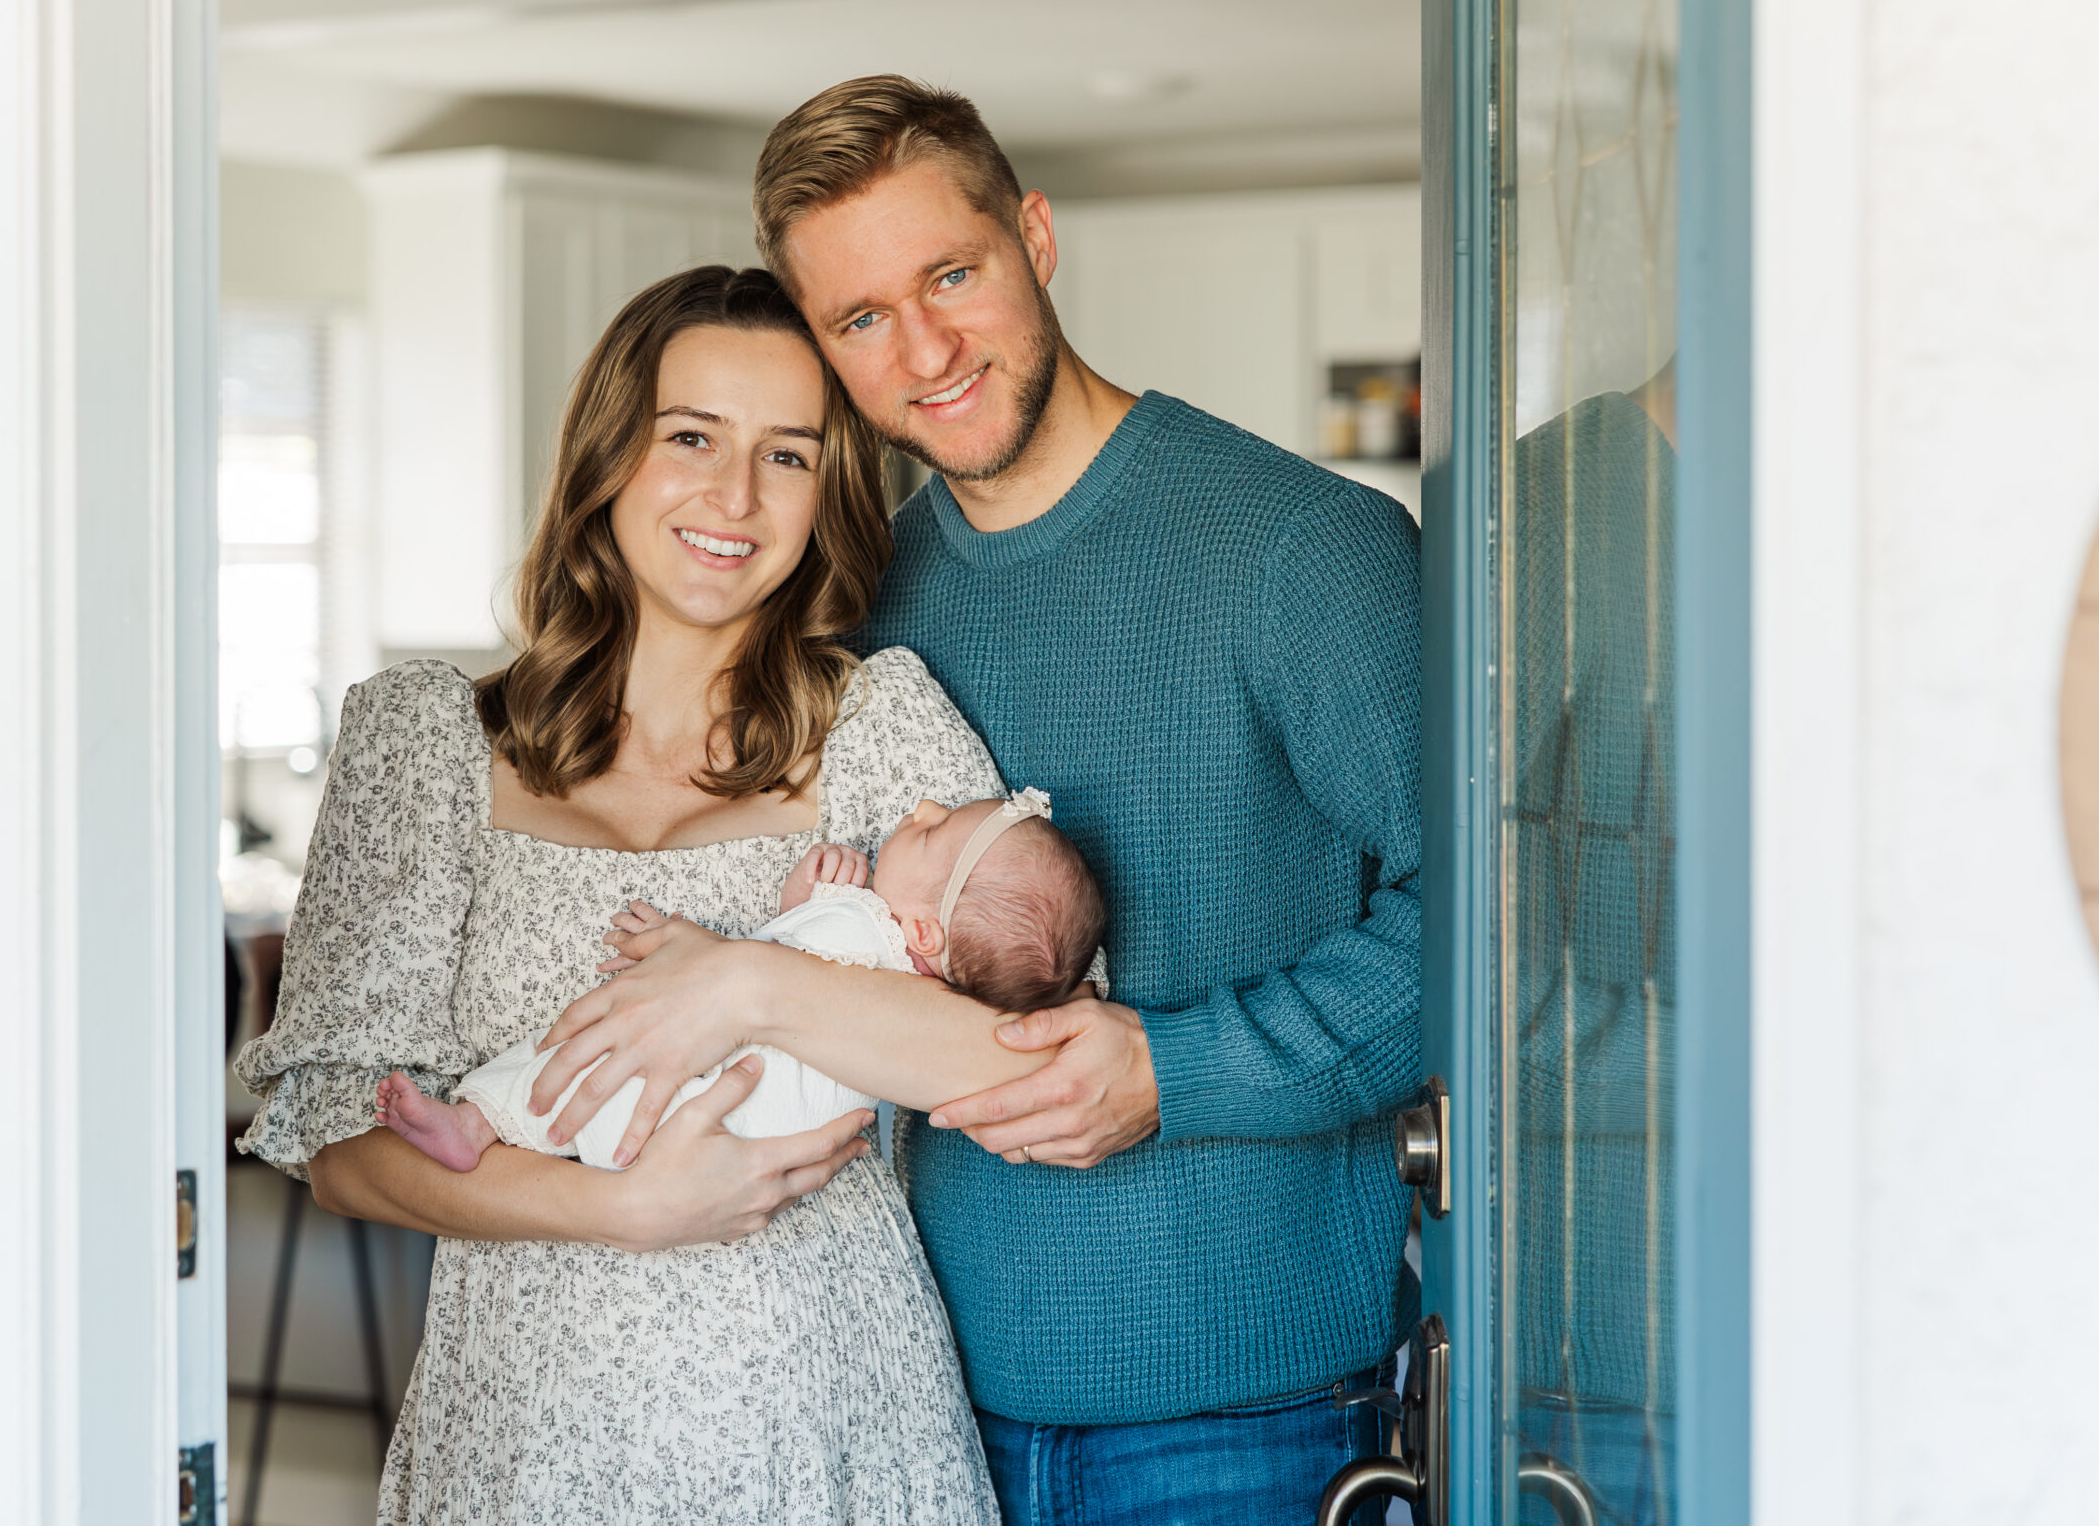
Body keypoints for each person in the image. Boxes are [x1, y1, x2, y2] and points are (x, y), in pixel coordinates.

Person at [534, 77, 1422, 1523]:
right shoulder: (858, 595)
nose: (926, 349)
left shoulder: (1304, 551)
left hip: (1246, 1425)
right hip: (911, 1410)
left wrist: (1172, 1066)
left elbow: (1498, 923)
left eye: (952, 274)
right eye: (860, 318)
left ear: (1037, 236)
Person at [234, 263, 1062, 1524]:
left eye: (788, 455)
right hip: (527, 1420)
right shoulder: (427, 743)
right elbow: (338, 1140)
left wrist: (746, 982)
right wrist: (622, 1208)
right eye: (691, 438)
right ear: (608, 456)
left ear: (830, 491)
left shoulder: (878, 723)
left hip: (826, 1400)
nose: (734, 497)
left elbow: (1019, 1052)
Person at [376, 787, 1105, 1172]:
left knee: (586, 1043)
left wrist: (687, 945)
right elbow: (781, 971)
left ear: (923, 934)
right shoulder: (902, 983)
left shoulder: (862, 933)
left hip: (698, 1103)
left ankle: (476, 1121)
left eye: (931, 832)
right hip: (747, 1128)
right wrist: (801, 903)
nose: (920, 809)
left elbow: (749, 971)